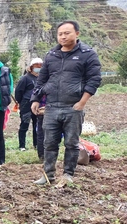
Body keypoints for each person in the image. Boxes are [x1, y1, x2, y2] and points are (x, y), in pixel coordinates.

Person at [31, 21, 101, 186]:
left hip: (73, 107)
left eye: (67, 33)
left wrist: (82, 102)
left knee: (71, 143)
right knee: (49, 143)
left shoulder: (88, 54)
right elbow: (42, 79)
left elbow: (94, 79)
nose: (63, 36)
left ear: (77, 33)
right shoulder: (51, 55)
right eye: (60, 34)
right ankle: (48, 175)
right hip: (52, 107)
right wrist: (35, 99)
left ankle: (68, 174)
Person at [15, 58, 43, 151]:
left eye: (40, 66)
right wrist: (19, 102)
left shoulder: (42, 78)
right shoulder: (25, 78)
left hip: (38, 104)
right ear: (31, 67)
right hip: (26, 104)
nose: (38, 67)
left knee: (37, 125)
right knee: (24, 124)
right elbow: (19, 92)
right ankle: (22, 146)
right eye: (36, 66)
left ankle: (36, 144)